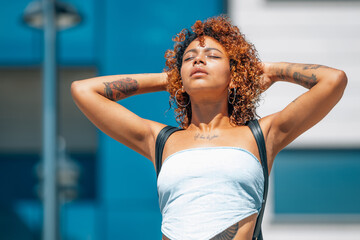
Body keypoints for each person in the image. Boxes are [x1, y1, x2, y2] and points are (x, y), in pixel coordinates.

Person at [71, 15, 347, 240]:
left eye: (212, 56)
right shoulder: (160, 140)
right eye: (189, 58)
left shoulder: (263, 134)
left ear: (235, 76)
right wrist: (169, 79)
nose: (198, 60)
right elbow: (83, 90)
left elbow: (333, 80)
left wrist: (271, 70)